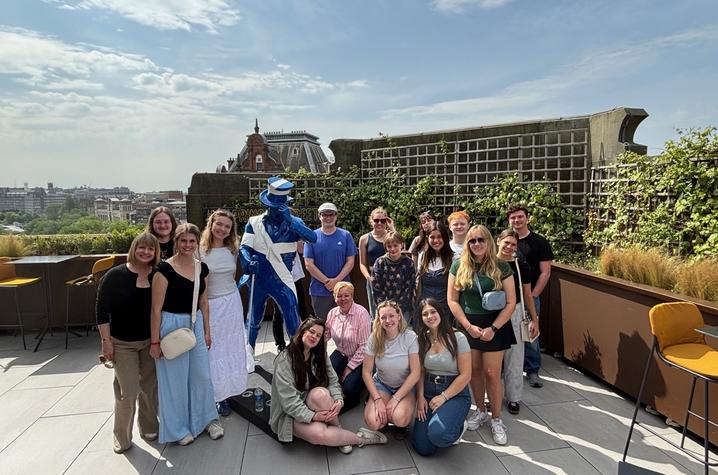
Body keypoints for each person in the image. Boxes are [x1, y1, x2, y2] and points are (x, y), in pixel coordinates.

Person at [150, 223, 223, 445]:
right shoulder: (163, 270)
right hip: (170, 323)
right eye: (184, 241)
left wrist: (207, 330)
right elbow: (155, 309)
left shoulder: (202, 268)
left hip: (195, 322)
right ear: (177, 242)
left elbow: (203, 301)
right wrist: (155, 341)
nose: (188, 245)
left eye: (192, 241)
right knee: (175, 380)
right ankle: (178, 429)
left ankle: (207, 419)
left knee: (201, 375)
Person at [269, 318, 387, 453]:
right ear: (302, 331)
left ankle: (338, 431)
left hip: (310, 399)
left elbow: (332, 380)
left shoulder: (319, 354)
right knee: (318, 434)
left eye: (318, 335)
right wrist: (312, 416)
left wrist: (338, 400)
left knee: (321, 395)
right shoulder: (284, 361)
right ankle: (361, 439)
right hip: (290, 413)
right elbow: (289, 402)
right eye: (311, 332)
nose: (314, 337)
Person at [447, 224, 516, 445]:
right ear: (467, 244)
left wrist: (493, 328)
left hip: (495, 325)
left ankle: (496, 419)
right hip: (470, 325)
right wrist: (467, 326)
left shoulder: (502, 266)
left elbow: (511, 302)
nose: (477, 244)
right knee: (474, 371)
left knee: (492, 373)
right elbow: (452, 300)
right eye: (472, 241)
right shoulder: (459, 265)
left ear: (488, 241)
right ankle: (480, 410)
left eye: (481, 240)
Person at [97, 232, 160, 454]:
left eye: (150, 249)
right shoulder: (115, 275)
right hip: (122, 342)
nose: (145, 252)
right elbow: (101, 311)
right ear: (134, 248)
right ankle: (121, 436)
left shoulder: (158, 275)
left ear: (155, 252)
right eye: (141, 247)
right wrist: (106, 342)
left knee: (149, 388)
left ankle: (150, 428)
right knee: (128, 390)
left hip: (150, 341)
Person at [240, 177, 317, 349]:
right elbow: (244, 247)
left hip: (282, 279)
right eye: (273, 207)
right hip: (259, 278)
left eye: (279, 207)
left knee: (292, 317)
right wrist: (247, 261)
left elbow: (313, 238)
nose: (275, 211)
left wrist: (291, 220)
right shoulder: (254, 222)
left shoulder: (294, 224)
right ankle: (248, 353)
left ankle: (297, 354)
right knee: (253, 319)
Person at [200, 209, 248, 418]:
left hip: (232, 302)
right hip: (210, 304)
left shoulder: (233, 249)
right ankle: (218, 396)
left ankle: (232, 389)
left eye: (227, 226)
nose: (222, 229)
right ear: (211, 224)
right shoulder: (199, 250)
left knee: (232, 346)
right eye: (219, 224)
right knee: (214, 350)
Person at [412, 298, 472, 456]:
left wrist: (444, 397)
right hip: (428, 390)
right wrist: (420, 398)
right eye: (425, 314)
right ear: (421, 318)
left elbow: (466, 375)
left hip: (454, 393)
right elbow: (421, 372)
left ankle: (458, 427)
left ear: (440, 313)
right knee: (423, 448)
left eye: (433, 311)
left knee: (439, 435)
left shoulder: (458, 338)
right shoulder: (422, 339)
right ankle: (442, 423)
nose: (430, 316)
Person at [507, 203, 554, 389]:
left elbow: (545, 272)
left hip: (529, 295)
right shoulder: (507, 240)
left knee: (531, 333)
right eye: (513, 217)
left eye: (520, 217)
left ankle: (532, 369)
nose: (516, 220)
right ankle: (508, 367)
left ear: (527, 218)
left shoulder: (539, 242)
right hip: (509, 298)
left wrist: (533, 295)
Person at [496, 230, 539, 415]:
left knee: (515, 356)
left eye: (513, 244)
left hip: (515, 313)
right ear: (498, 241)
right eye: (506, 242)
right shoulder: (488, 262)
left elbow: (528, 295)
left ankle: (513, 397)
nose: (509, 247)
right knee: (493, 359)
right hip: (492, 312)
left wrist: (534, 319)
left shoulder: (521, 265)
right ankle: (493, 395)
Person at [362, 301, 420, 435]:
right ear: (379, 320)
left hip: (405, 385)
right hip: (383, 384)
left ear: (399, 316)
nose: (388, 320)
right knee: (373, 421)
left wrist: (396, 398)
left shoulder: (410, 337)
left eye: (391, 316)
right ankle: (382, 415)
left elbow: (416, 372)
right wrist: (377, 399)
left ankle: (400, 420)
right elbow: (366, 372)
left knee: (399, 418)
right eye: (383, 317)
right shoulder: (374, 339)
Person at [304, 202, 357, 320]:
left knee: (346, 324)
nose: (328, 217)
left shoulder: (346, 235)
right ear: (319, 216)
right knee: (322, 326)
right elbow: (308, 264)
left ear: (336, 216)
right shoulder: (311, 236)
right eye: (325, 215)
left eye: (331, 214)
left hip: (343, 291)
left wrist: (337, 282)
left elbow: (350, 261)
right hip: (319, 291)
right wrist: (327, 282)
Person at [324, 282, 371, 412]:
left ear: (352, 296)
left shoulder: (362, 314)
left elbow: (364, 347)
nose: (343, 299)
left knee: (348, 387)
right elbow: (326, 335)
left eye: (346, 295)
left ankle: (354, 398)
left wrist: (348, 369)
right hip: (341, 352)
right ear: (334, 297)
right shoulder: (332, 313)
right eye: (339, 296)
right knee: (325, 377)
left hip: (361, 357)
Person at [358, 207, 394, 317]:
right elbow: (362, 263)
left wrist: (392, 229)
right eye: (376, 220)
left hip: (391, 278)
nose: (379, 223)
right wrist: (369, 278)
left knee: (392, 310)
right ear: (371, 221)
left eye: (383, 220)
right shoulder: (364, 239)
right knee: (375, 312)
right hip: (373, 278)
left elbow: (399, 251)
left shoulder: (390, 236)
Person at [416, 221, 454, 325]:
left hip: (445, 309)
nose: (436, 240)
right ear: (427, 238)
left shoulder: (454, 258)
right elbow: (419, 285)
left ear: (445, 238)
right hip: (425, 309)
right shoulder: (422, 256)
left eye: (439, 236)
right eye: (432, 237)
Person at [272, 245, 308, 352]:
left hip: (294, 278)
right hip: (278, 279)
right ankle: (280, 344)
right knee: (278, 312)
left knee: (301, 309)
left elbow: (302, 250)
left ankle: (303, 341)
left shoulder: (292, 232)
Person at [372, 232, 416, 321]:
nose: (393, 249)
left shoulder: (408, 263)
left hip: (403, 309)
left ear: (402, 245)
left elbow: (409, 287)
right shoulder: (380, 262)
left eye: (395, 245)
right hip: (384, 308)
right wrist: (385, 307)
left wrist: (397, 308)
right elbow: (376, 287)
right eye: (389, 246)